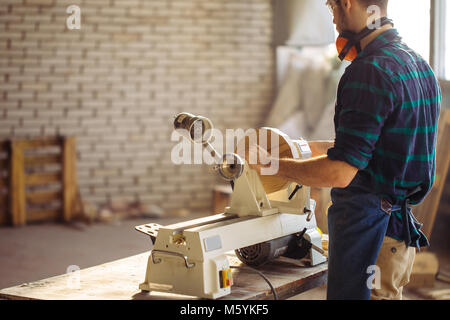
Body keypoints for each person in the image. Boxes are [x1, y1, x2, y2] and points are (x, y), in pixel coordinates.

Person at [245, 0, 441, 300]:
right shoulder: (417, 64)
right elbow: (366, 150)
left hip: (371, 232)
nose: (333, 20)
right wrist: (293, 149)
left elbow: (339, 172)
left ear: (347, 4)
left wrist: (271, 166)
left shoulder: (369, 71)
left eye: (332, 8)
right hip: (397, 235)